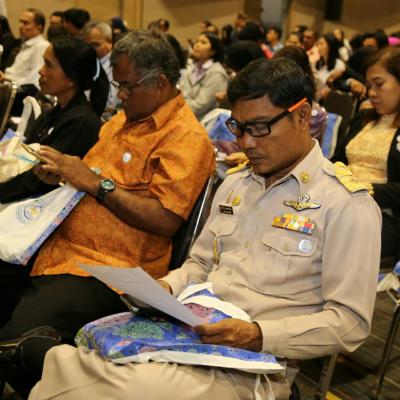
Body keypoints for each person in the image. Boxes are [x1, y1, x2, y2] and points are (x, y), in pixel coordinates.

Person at [28, 57, 381, 400]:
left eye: (259, 128)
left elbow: (349, 323)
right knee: (85, 361)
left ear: (302, 116)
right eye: (238, 128)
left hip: (254, 366)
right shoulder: (237, 184)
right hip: (190, 336)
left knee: (126, 386)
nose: (246, 143)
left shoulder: (345, 204)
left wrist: (258, 335)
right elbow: (199, 264)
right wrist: (165, 287)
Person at [0, 29, 215, 398]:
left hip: (108, 271)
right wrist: (66, 174)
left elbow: (165, 219)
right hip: (55, 247)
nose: (121, 95)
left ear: (161, 83)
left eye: (128, 86)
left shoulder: (186, 139)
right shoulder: (120, 121)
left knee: (17, 344)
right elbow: (90, 176)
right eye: (118, 85)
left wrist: (96, 184)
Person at [0, 36, 107, 205]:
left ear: (71, 78)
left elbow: (39, 179)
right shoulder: (56, 111)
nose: (41, 71)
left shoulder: (80, 122)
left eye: (48, 65)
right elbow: (26, 157)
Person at [332, 46, 400, 259]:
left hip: (383, 212)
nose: (372, 93)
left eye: (379, 84)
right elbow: (337, 161)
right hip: (340, 202)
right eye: (369, 86)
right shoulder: (363, 119)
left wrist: (367, 190)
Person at [180, 32, 229, 120]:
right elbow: (181, 94)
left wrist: (178, 104)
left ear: (213, 51)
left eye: (203, 42)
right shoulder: (193, 69)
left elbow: (198, 107)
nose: (197, 45)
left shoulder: (217, 73)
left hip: (204, 122)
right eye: (197, 41)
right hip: (186, 116)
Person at [0, 8, 49, 90]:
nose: (21, 26)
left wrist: (7, 79)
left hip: (17, 93)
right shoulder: (26, 44)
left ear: (39, 27)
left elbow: (34, 81)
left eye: (26, 23)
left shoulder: (41, 46)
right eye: (20, 22)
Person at [83, 20, 119, 120]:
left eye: (95, 45)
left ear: (110, 42)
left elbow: (110, 105)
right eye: (87, 45)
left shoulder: (116, 65)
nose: (90, 49)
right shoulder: (85, 62)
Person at [315, 33, 346, 99]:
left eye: (321, 44)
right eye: (318, 44)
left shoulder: (339, 64)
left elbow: (333, 86)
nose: (318, 47)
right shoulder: (319, 63)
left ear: (330, 46)